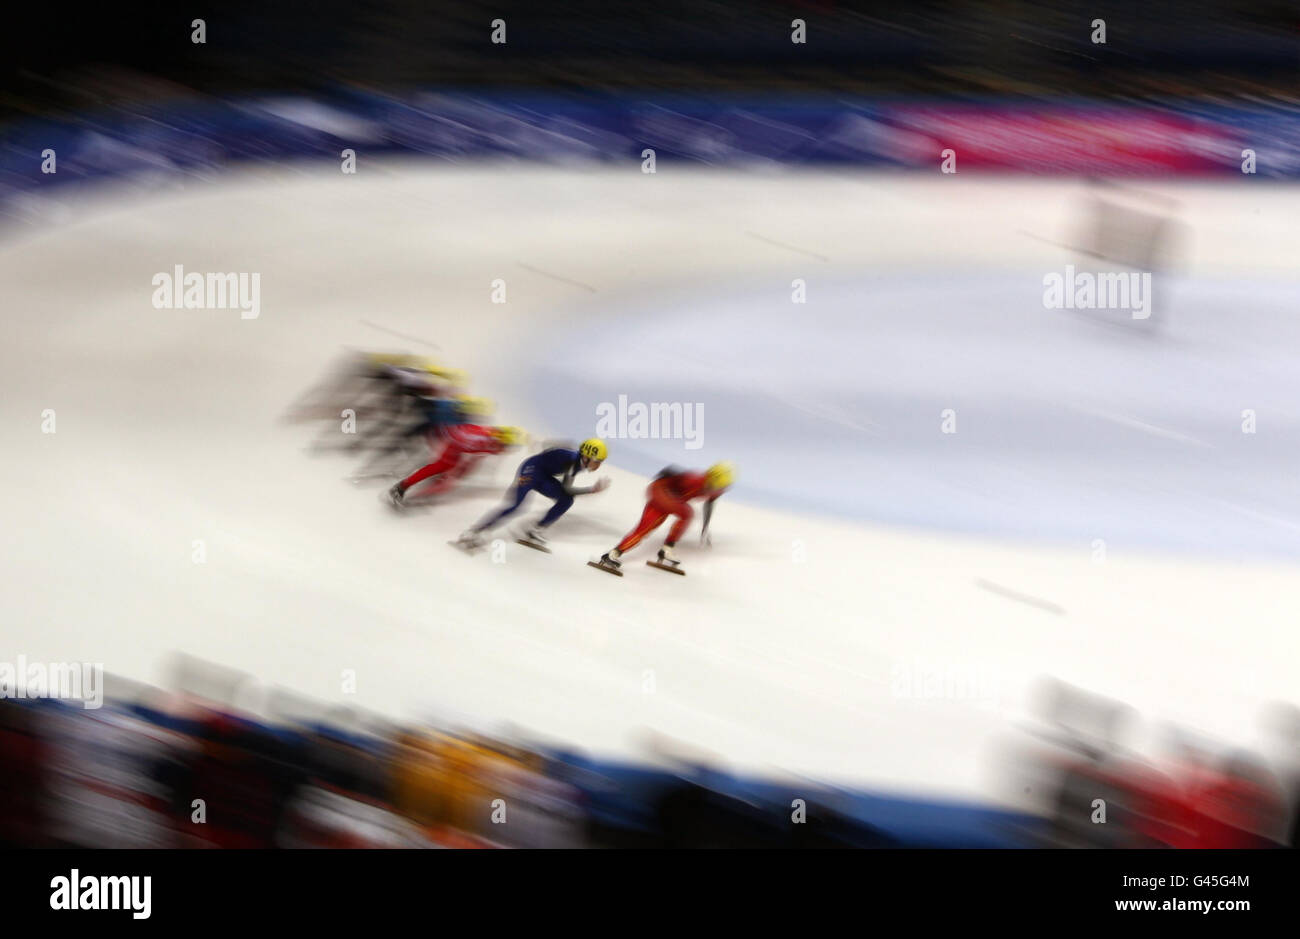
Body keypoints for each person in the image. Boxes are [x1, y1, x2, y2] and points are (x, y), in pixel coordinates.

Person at [456, 439, 609, 548]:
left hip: (544, 476)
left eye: (600, 462)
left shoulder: (579, 461)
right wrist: (590, 490)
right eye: (597, 461)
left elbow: (554, 450)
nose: (598, 465)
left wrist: (544, 445)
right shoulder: (571, 460)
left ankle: (535, 530)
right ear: (587, 456)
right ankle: (475, 531)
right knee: (516, 506)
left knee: (566, 500)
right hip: (530, 470)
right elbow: (567, 488)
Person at [595, 462, 733, 573]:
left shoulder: (715, 490)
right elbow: (670, 473)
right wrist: (665, 476)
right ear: (711, 478)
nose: (717, 490)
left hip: (668, 500)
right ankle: (667, 549)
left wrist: (705, 526)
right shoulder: (694, 479)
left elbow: (709, 503)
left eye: (722, 488)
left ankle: (613, 554)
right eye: (717, 486)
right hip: (659, 490)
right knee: (687, 513)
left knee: (643, 530)